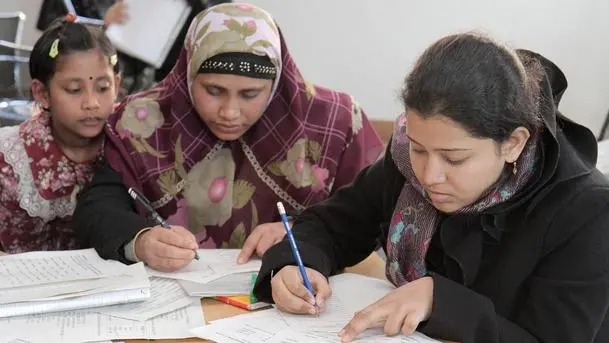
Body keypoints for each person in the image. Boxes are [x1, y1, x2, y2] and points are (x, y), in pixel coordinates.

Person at [253, 33, 609, 343]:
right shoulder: (407, 161)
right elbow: (332, 225)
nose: (428, 176)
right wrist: (294, 268)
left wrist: (441, 302)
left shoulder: (586, 211)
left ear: (514, 143)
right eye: (419, 148)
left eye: (454, 159)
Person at [73, 3, 383, 272]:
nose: (230, 112)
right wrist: (140, 241)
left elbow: (375, 215)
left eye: (250, 94)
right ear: (189, 74)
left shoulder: (334, 120)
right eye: (213, 91)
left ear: (275, 85)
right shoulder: (142, 120)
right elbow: (98, 207)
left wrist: (306, 232)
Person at [0, 16, 121, 253]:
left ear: (117, 84)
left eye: (103, 88)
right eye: (74, 90)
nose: (91, 103)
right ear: (42, 93)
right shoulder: (11, 161)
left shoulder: (133, 143)